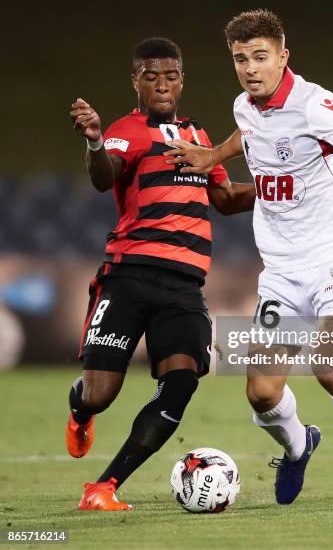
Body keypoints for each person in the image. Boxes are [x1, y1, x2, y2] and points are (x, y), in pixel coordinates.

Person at [165, 9, 333, 508]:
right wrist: (212, 157)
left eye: (260, 57)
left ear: (282, 56)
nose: (250, 68)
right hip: (282, 273)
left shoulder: (317, 106)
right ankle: (299, 447)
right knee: (261, 394)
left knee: (329, 362)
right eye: (239, 59)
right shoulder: (245, 107)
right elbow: (249, 135)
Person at [67, 37, 255, 511]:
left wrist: (280, 184)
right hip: (129, 274)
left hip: (185, 285)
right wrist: (93, 141)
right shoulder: (126, 131)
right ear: (136, 81)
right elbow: (103, 175)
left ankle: (104, 487)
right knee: (100, 394)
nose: (162, 85)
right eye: (151, 76)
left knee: (183, 380)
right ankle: (80, 410)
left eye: (171, 76)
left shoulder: (198, 136)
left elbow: (227, 200)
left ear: (182, 80)